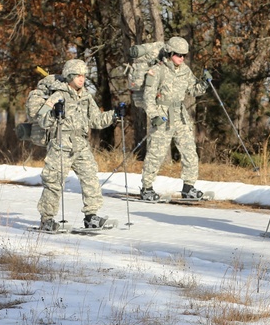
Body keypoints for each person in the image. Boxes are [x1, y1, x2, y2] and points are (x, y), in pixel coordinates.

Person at [31, 58, 119, 231]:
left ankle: (91, 216)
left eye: (84, 75)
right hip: (61, 143)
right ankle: (47, 219)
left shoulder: (85, 96)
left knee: (91, 178)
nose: (82, 79)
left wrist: (114, 115)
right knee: (54, 181)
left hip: (80, 143)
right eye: (77, 75)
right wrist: (54, 114)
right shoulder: (58, 95)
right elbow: (42, 118)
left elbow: (96, 120)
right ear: (69, 76)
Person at [139, 36, 208, 201]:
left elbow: (193, 90)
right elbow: (148, 96)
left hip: (180, 114)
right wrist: (154, 115)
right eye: (178, 54)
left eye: (184, 55)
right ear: (170, 53)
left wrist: (204, 83)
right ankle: (147, 187)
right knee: (156, 152)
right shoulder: (158, 70)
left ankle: (188, 187)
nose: (181, 58)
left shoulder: (185, 70)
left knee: (189, 151)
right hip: (163, 114)